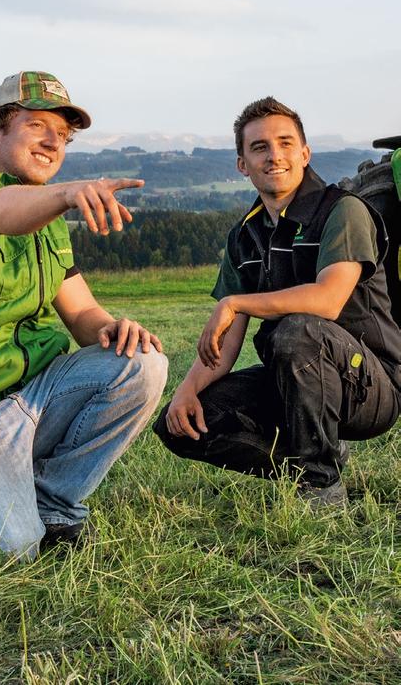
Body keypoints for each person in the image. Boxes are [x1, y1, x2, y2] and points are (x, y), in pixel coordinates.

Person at [0, 70, 168, 556]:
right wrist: (65, 193)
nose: (53, 142)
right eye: (37, 125)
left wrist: (115, 329)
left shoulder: (48, 223)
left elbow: (83, 315)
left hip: (32, 399)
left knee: (143, 362)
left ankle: (54, 506)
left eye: (62, 135)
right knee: (10, 548)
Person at [155, 97, 401, 510]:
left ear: (305, 153)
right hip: (297, 376)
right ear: (241, 164)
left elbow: (328, 299)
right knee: (185, 424)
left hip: (371, 385)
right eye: (259, 147)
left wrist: (237, 302)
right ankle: (320, 453)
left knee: (298, 330)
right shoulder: (245, 236)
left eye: (286, 143)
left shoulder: (344, 211)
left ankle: (321, 486)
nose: (275, 156)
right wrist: (186, 391)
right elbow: (226, 343)